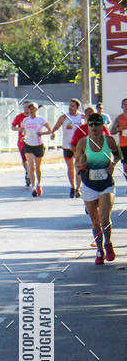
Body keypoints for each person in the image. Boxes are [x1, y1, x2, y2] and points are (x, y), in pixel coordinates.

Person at [75, 112, 120, 264]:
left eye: (97, 124)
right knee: (95, 221)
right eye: (91, 124)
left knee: (104, 217)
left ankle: (108, 243)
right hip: (89, 185)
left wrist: (112, 165)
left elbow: (118, 155)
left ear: (102, 126)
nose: (94, 127)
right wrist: (82, 165)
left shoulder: (109, 140)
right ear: (87, 126)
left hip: (106, 184)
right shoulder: (82, 143)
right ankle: (99, 249)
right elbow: (77, 165)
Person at [50, 99, 85, 197]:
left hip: (79, 146)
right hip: (67, 146)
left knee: (78, 167)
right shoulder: (64, 117)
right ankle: (72, 187)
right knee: (70, 168)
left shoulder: (82, 117)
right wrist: (53, 133)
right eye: (69, 106)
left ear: (77, 107)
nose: (70, 108)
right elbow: (56, 127)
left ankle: (78, 188)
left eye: (72, 106)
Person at [20, 103, 52, 197]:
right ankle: (33, 187)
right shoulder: (26, 120)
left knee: (37, 167)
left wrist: (42, 133)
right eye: (30, 109)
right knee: (30, 166)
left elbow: (50, 130)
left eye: (33, 109)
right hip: (28, 144)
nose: (31, 110)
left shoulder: (41, 119)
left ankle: (39, 184)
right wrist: (23, 137)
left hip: (38, 145)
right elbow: (24, 130)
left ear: (36, 110)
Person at [11, 101, 32, 187]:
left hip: (32, 141)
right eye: (24, 107)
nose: (26, 109)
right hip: (21, 141)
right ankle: (28, 172)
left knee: (30, 158)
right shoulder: (20, 117)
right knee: (24, 160)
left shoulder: (34, 117)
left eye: (27, 107)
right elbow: (12, 126)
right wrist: (18, 129)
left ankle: (30, 174)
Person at [110, 97, 127, 181]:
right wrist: (119, 129)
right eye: (125, 104)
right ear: (122, 106)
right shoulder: (119, 118)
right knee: (125, 167)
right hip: (123, 146)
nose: (126, 106)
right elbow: (112, 131)